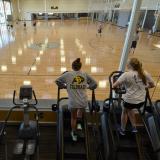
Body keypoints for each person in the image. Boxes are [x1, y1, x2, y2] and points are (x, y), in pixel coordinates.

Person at [55, 58, 97, 141]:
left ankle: (74, 132)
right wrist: (88, 87)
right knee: (79, 113)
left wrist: (64, 86)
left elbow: (57, 81)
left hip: (73, 102)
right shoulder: (85, 74)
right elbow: (95, 84)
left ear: (72, 66)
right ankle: (79, 126)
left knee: (73, 118)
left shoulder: (67, 74)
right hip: (83, 102)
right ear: (80, 67)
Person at [113, 58, 155, 135]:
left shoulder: (126, 74)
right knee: (130, 109)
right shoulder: (144, 73)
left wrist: (119, 88)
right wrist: (145, 87)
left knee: (125, 111)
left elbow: (114, 86)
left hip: (129, 102)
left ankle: (122, 130)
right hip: (141, 102)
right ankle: (134, 127)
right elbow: (152, 85)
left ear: (130, 65)